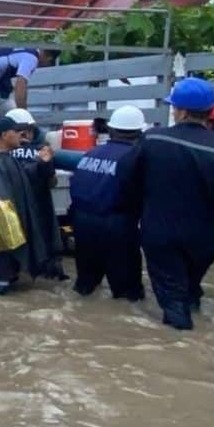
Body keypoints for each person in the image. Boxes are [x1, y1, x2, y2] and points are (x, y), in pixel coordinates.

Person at [119, 78, 214, 330]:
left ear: (183, 111)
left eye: (174, 108)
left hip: (161, 233)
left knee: (173, 298)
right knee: (190, 286)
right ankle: (194, 314)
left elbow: (126, 176)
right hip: (206, 239)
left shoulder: (153, 139)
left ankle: (180, 345)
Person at [0, 117, 62, 292]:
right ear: (4, 135)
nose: (20, 135)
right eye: (16, 132)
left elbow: (23, 177)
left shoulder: (4, 158)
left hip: (9, 238)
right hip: (2, 242)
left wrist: (41, 163)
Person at [68, 105, 145, 301]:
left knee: (85, 286)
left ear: (111, 130)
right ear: (140, 131)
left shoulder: (91, 153)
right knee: (127, 294)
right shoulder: (137, 157)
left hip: (82, 223)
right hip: (117, 225)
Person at [4, 107, 66, 279]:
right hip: (40, 208)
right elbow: (52, 182)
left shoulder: (0, 153)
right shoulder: (42, 151)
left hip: (12, 210)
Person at [0, 47, 57, 127]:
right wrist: (24, 115)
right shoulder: (32, 58)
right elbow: (20, 86)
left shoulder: (25, 50)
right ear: (49, 59)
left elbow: (4, 69)